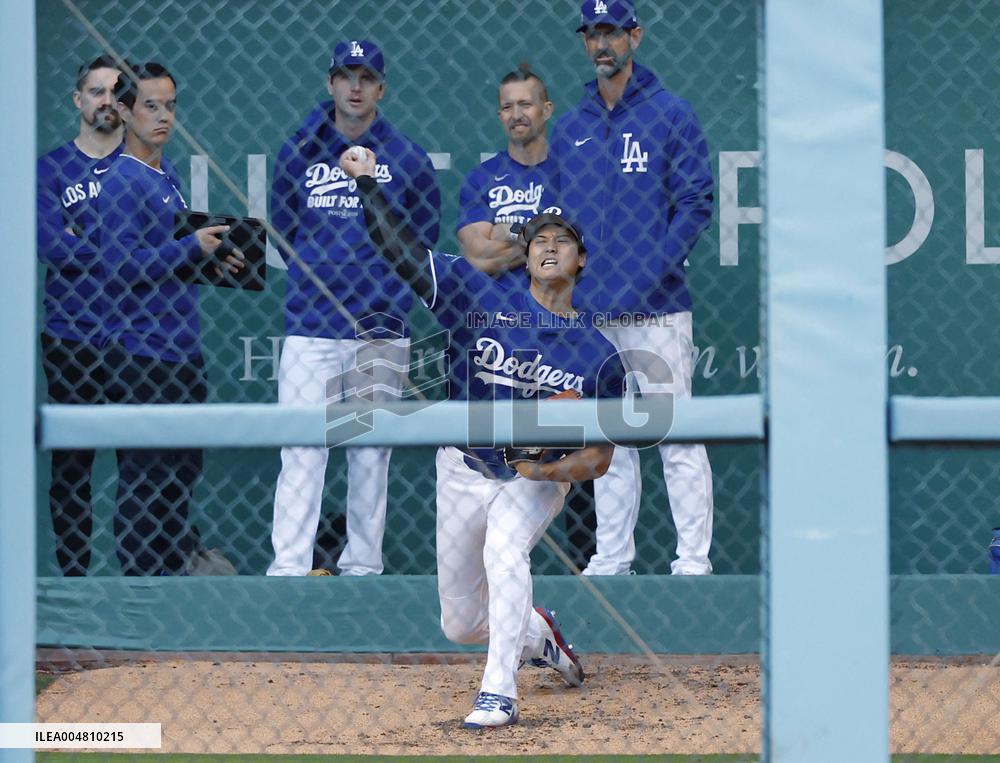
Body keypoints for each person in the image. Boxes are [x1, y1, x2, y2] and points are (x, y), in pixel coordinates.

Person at [341, 146, 627, 728]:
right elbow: (401, 251)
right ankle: (537, 634)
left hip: (532, 479)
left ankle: (499, 693)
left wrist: (545, 472)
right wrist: (368, 183)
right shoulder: (479, 298)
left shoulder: (599, 356)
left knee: (504, 550)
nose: (549, 246)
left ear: (582, 260)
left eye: (563, 240)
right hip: (463, 466)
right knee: (462, 624)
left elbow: (599, 458)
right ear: (526, 256)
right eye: (539, 239)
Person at [551, 0, 716, 576]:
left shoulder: (671, 114)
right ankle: (613, 558)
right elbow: (560, 221)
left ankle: (693, 561)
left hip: (658, 310)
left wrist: (649, 274)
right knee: (609, 440)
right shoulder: (570, 126)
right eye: (592, 34)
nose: (602, 44)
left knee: (677, 436)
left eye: (612, 33)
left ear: (635, 37)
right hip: (594, 314)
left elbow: (696, 202)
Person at [267, 40, 441, 577]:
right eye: (346, 76)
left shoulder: (407, 158)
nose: (355, 86)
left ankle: (363, 566)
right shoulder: (299, 150)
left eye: (366, 77)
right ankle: (289, 568)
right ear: (331, 83)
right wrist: (318, 278)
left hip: (379, 329)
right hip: (311, 327)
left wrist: (384, 293)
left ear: (381, 88)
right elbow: (284, 230)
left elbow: (421, 241)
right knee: (301, 448)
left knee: (370, 451)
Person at [97, 62, 244, 575]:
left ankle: (173, 575)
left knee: (180, 473)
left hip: (182, 351)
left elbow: (168, 255)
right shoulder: (121, 181)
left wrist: (211, 260)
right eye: (150, 106)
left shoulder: (169, 174)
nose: (163, 117)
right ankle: (142, 588)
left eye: (170, 106)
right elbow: (118, 267)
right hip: (141, 355)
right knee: (146, 476)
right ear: (123, 112)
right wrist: (189, 248)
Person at [457, 63, 598, 570]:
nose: (517, 114)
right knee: (505, 452)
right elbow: (476, 256)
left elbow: (578, 246)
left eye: (526, 103)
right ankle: (501, 570)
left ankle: (587, 563)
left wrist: (506, 234)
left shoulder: (572, 173)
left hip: (564, 331)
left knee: (575, 441)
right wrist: (538, 241)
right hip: (504, 332)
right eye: (508, 106)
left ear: (546, 109)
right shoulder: (483, 177)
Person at [36, 56, 123, 575]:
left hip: (136, 335)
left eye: (115, 92)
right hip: (71, 334)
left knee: (144, 463)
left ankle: (142, 580)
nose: (106, 101)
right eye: (96, 91)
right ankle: (75, 579)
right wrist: (126, 250)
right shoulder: (49, 169)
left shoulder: (149, 165)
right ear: (78, 100)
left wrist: (83, 240)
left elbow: (165, 243)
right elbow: (52, 246)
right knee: (72, 466)